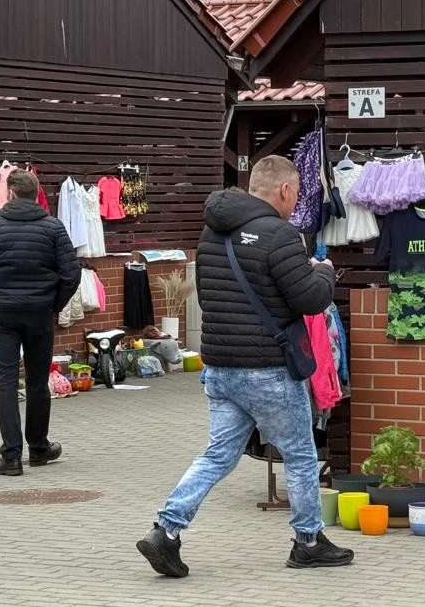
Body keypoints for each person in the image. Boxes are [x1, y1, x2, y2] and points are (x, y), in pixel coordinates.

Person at [136, 155, 351, 577]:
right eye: (296, 194)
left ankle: (166, 529)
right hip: (268, 368)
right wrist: (325, 273)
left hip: (220, 368)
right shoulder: (280, 234)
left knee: (218, 455)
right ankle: (308, 541)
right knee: (302, 455)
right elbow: (309, 299)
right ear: (285, 191)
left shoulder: (211, 232)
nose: (296, 202)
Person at [0, 169, 79, 476]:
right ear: (35, 194)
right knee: (38, 381)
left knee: (6, 382)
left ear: (10, 193)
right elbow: (72, 273)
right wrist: (54, 304)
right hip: (40, 312)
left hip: (2, 312)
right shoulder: (53, 228)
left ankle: (11, 457)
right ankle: (39, 447)